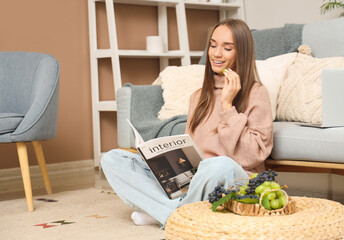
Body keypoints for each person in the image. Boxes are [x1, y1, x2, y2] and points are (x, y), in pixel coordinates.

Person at [100, 18, 273, 229]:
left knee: (219, 164)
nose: (216, 54)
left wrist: (228, 106)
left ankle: (163, 213)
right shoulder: (198, 96)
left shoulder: (257, 93)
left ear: (241, 53)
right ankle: (173, 213)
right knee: (114, 159)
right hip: (193, 180)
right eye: (212, 45)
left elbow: (252, 155)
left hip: (232, 178)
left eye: (227, 48)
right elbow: (192, 151)